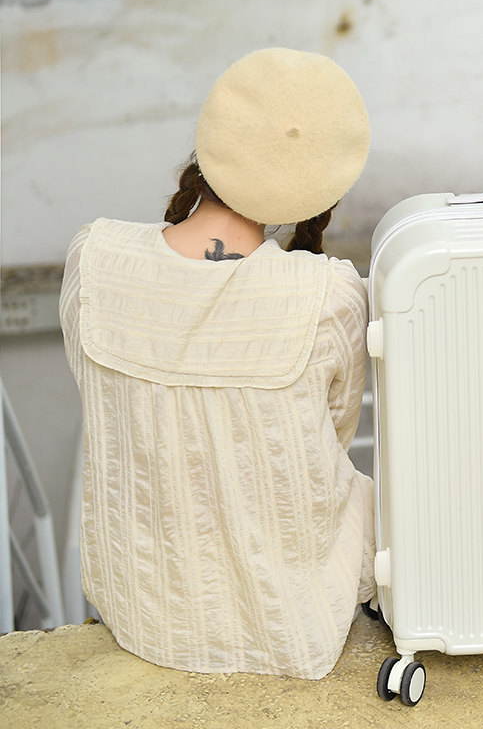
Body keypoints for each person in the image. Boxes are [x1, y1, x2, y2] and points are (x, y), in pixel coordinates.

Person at [59, 48, 376, 679]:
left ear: (208, 145)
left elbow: (98, 392)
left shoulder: (93, 257)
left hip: (142, 613)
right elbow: (333, 435)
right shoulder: (329, 295)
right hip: (289, 626)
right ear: (319, 189)